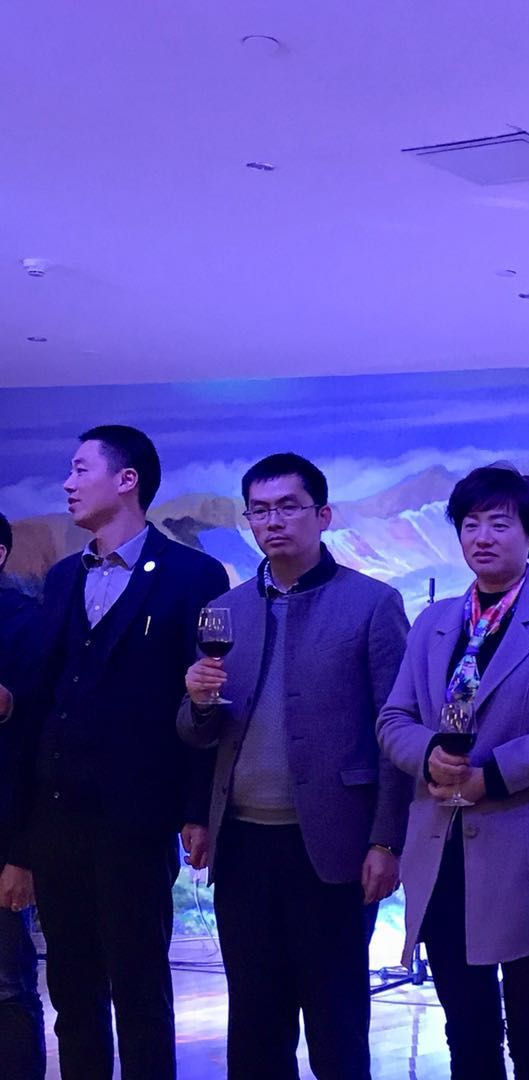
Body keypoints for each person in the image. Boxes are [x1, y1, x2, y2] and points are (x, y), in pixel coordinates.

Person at [0, 425, 229, 1078]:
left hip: (136, 820)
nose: (67, 484)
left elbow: (206, 698)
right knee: (71, 994)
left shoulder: (192, 574)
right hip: (56, 816)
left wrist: (195, 809)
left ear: (127, 480)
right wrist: (21, 837)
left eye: (80, 469)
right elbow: (42, 700)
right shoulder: (62, 577)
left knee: (140, 990)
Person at [176, 452, 410, 1079]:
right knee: (254, 1021)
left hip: (334, 845)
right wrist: (196, 706)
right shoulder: (225, 609)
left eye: (288, 507)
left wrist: (387, 840)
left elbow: (398, 732)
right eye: (259, 510)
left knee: (337, 1022)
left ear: (322, 515)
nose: (273, 521)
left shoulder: (372, 604)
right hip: (243, 846)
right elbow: (199, 731)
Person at [377, 464, 529, 1080]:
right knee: (466, 1031)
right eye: (471, 524)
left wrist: (493, 776)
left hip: (528, 849)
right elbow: (394, 718)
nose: (482, 537)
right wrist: (428, 753)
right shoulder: (433, 623)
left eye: (500, 524)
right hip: (441, 852)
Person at [0, 511, 45, 1079]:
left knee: (8, 986)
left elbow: (41, 744)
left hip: (5, 835)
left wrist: (22, 854)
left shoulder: (26, 623)